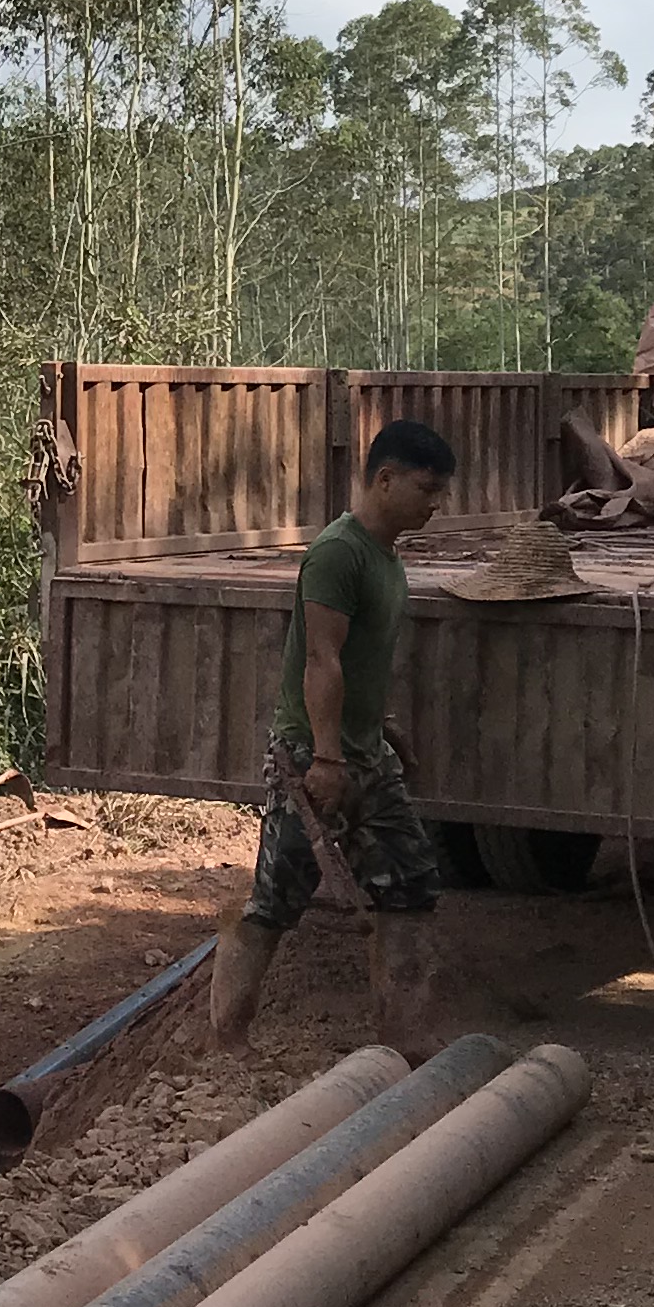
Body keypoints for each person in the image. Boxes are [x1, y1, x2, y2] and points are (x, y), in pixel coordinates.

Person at [209, 417, 457, 1056]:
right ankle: (226, 1041)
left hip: (364, 754)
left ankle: (404, 1039)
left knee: (411, 884)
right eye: (427, 488)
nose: (436, 503)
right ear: (385, 479)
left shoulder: (385, 555)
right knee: (276, 899)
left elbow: (362, 660)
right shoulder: (338, 553)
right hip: (312, 758)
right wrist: (325, 758)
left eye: (441, 490)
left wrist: (381, 727)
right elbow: (321, 659)